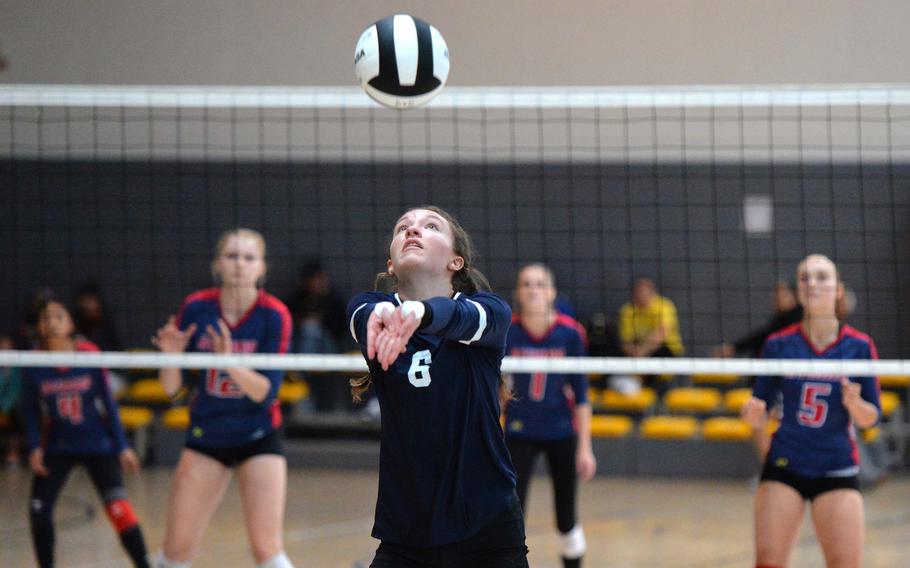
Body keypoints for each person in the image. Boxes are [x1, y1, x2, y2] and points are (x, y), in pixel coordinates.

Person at [347, 206, 529, 567]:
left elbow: (462, 318)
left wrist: (422, 314)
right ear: (390, 265)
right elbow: (360, 314)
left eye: (430, 227)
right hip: (406, 530)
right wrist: (383, 316)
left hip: (486, 526)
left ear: (456, 261)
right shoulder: (373, 310)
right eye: (403, 228)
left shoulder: (489, 310)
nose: (412, 231)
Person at [151, 228, 294, 568]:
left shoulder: (274, 314)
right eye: (232, 256)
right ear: (218, 264)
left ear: (261, 268)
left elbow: (266, 392)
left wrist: (227, 362)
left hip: (259, 434)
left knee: (267, 548)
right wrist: (171, 357)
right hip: (207, 434)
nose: (239, 265)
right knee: (175, 550)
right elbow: (173, 391)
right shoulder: (197, 307)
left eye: (248, 258)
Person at [741, 254, 881, 568]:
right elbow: (759, 409)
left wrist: (855, 404)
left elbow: (871, 418)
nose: (812, 284)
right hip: (785, 465)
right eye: (804, 278)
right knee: (768, 562)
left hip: (837, 467)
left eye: (821, 277)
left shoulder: (859, 346)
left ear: (839, 289)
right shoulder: (778, 344)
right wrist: (753, 416)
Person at [21, 300, 150, 568]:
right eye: (46, 317)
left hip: (97, 445)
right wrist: (34, 446)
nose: (52, 322)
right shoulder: (32, 361)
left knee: (119, 510)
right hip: (57, 446)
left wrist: (122, 446)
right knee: (39, 514)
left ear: (70, 324)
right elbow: (29, 410)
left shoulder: (89, 354)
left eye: (59, 316)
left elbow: (109, 405)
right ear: (40, 326)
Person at [503, 263, 595, 568]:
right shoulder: (508, 331)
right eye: (526, 284)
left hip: (560, 433)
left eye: (539, 284)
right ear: (518, 292)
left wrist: (585, 448)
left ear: (551, 292)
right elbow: (496, 389)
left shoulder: (569, 334)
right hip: (518, 433)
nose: (532, 290)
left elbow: (581, 396)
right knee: (511, 514)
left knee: (566, 517)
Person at [285, 258, 348, 412]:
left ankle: (298, 371)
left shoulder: (334, 300)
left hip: (330, 350)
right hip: (300, 347)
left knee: (312, 330)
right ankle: (296, 370)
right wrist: (302, 322)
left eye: (324, 278)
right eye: (318, 278)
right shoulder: (297, 300)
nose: (322, 282)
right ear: (308, 280)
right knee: (307, 330)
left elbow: (342, 331)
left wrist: (321, 321)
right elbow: (286, 326)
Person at [714, 281, 803, 358]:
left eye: (783, 295)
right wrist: (734, 348)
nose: (777, 299)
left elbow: (762, 336)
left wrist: (734, 348)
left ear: (794, 297)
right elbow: (761, 335)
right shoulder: (781, 319)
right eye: (776, 296)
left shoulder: (793, 318)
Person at [73, 282, 123, 352]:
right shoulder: (74, 324)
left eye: (91, 301)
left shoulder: (106, 326)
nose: (88, 305)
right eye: (85, 301)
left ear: (98, 302)